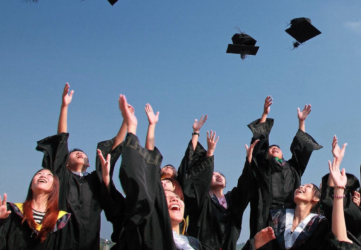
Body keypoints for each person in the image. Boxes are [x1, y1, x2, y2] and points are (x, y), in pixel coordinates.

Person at [107, 94, 212, 250]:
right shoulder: (149, 231)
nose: (173, 199)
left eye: (175, 195)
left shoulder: (194, 244)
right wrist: (140, 127)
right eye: (165, 195)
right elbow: (148, 160)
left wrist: (197, 136)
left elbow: (188, 162)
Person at [34, 83, 116, 250]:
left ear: (89, 163)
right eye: (74, 152)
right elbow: (62, 140)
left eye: (82, 154)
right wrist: (65, 106)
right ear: (65, 161)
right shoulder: (61, 178)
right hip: (61, 240)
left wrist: (126, 123)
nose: (79, 153)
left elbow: (112, 151)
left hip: (89, 240)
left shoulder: (94, 180)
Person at [247, 96, 323, 236]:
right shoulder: (262, 167)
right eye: (271, 148)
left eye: (277, 148)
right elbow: (259, 144)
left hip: (289, 220)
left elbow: (301, 148)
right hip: (264, 218)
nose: (274, 148)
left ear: (282, 154)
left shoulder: (292, 168)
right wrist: (265, 114)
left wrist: (302, 122)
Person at [181, 129, 254, 250]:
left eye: (221, 175)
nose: (218, 176)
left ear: (225, 183)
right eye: (213, 175)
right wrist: (210, 153)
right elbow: (198, 184)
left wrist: (249, 160)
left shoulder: (233, 200)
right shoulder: (203, 200)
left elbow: (245, 187)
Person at [0, 169, 73, 250]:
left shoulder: (62, 220)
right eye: (39, 173)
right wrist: (1, 220)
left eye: (49, 175)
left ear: (54, 187)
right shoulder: (12, 211)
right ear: (31, 185)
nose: (43, 175)